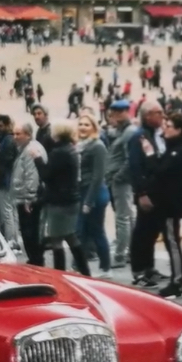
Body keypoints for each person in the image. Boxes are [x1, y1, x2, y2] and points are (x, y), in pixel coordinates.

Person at [141, 112, 182, 299]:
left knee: (172, 242)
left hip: (172, 205)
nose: (165, 128)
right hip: (166, 203)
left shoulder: (178, 151)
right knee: (171, 241)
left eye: (169, 126)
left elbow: (160, 170)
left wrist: (149, 154)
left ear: (179, 130)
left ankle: (178, 281)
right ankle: (177, 278)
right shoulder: (173, 148)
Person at [41, 120, 90, 275]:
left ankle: (59, 274)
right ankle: (85, 271)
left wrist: (37, 160)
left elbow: (47, 175)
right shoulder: (71, 149)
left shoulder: (59, 152)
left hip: (59, 200)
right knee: (70, 235)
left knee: (56, 239)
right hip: (71, 198)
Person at [127, 100, 166, 287]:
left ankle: (149, 267)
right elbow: (135, 167)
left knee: (151, 231)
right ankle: (138, 270)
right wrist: (141, 193)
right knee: (142, 231)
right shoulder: (139, 138)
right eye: (158, 112)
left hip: (157, 191)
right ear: (147, 115)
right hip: (146, 192)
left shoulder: (154, 135)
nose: (162, 115)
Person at [75, 115, 111, 275]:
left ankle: (105, 267)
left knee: (95, 231)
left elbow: (98, 176)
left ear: (94, 128)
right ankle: (79, 266)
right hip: (82, 191)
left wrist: (88, 202)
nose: (82, 127)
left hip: (94, 193)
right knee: (81, 230)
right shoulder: (79, 145)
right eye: (80, 124)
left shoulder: (98, 146)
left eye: (86, 125)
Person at [103, 100, 136, 269]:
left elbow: (130, 159)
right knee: (128, 216)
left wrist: (118, 177)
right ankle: (130, 251)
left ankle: (121, 254)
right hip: (119, 179)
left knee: (123, 217)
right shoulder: (122, 131)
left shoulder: (129, 132)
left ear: (126, 112)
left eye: (119, 112)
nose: (115, 115)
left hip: (121, 181)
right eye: (114, 112)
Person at [11, 121, 46, 266]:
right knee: (28, 232)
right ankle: (34, 259)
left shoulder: (31, 150)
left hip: (28, 199)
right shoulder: (25, 149)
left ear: (28, 135)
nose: (15, 137)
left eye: (18, 134)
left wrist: (29, 199)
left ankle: (36, 260)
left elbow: (32, 176)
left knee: (30, 232)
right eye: (14, 133)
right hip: (23, 196)